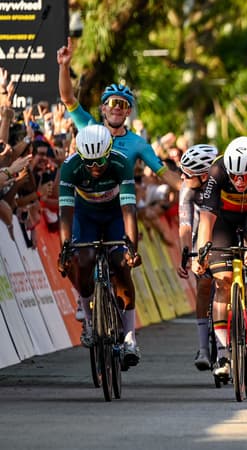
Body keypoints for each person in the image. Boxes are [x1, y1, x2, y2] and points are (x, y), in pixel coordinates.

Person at [192, 136, 247, 379]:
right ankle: (222, 352)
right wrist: (201, 253)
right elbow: (206, 218)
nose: (240, 181)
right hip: (224, 220)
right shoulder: (217, 170)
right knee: (223, 281)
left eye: (246, 176)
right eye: (235, 176)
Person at [57, 124, 142, 367]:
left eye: (100, 161)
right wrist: (65, 248)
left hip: (115, 214)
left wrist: (132, 248)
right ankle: (91, 322)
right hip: (86, 216)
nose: (95, 168)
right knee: (82, 261)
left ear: (109, 151)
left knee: (121, 264)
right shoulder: (70, 166)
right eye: (89, 162)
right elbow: (65, 212)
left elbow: (129, 210)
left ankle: (129, 338)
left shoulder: (121, 163)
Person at [56, 37, 181, 192]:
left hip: (119, 209)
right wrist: (64, 66)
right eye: (112, 103)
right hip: (88, 207)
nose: (116, 108)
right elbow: (67, 98)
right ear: (103, 108)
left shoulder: (138, 143)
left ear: (128, 112)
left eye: (122, 105)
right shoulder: (90, 127)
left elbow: (165, 173)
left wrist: (195, 194)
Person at [176, 143, 219, 370]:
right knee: (203, 285)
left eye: (187, 173)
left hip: (225, 230)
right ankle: (203, 348)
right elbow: (185, 224)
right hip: (200, 232)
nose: (182, 177)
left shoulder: (223, 184)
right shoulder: (187, 188)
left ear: (204, 175)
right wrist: (186, 254)